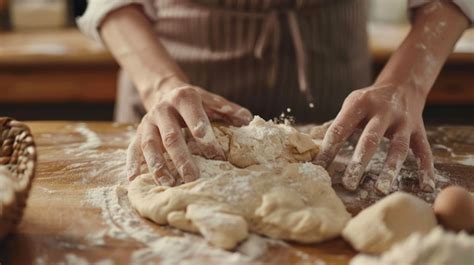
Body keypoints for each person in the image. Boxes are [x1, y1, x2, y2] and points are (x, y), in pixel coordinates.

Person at [78, 0, 472, 193]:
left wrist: (407, 83)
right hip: (172, 79)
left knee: (341, 179)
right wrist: (160, 84)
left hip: (333, 81)